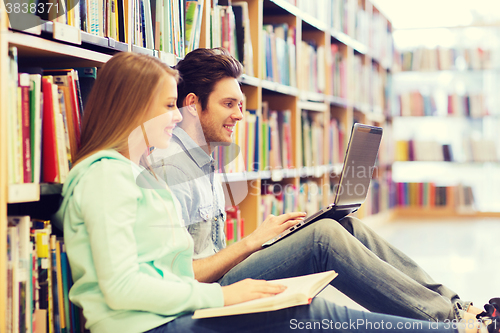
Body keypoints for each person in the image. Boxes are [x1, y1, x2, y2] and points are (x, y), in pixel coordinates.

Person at [53, 51, 489, 333]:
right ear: (191, 105)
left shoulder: (190, 161)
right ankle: (453, 324)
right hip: (194, 293)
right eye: (230, 104)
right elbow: (169, 273)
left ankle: (457, 310)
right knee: (322, 243)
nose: (242, 115)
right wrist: (247, 250)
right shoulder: (144, 170)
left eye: (242, 104)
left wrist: (255, 242)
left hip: (189, 292)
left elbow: (165, 266)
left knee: (340, 225)